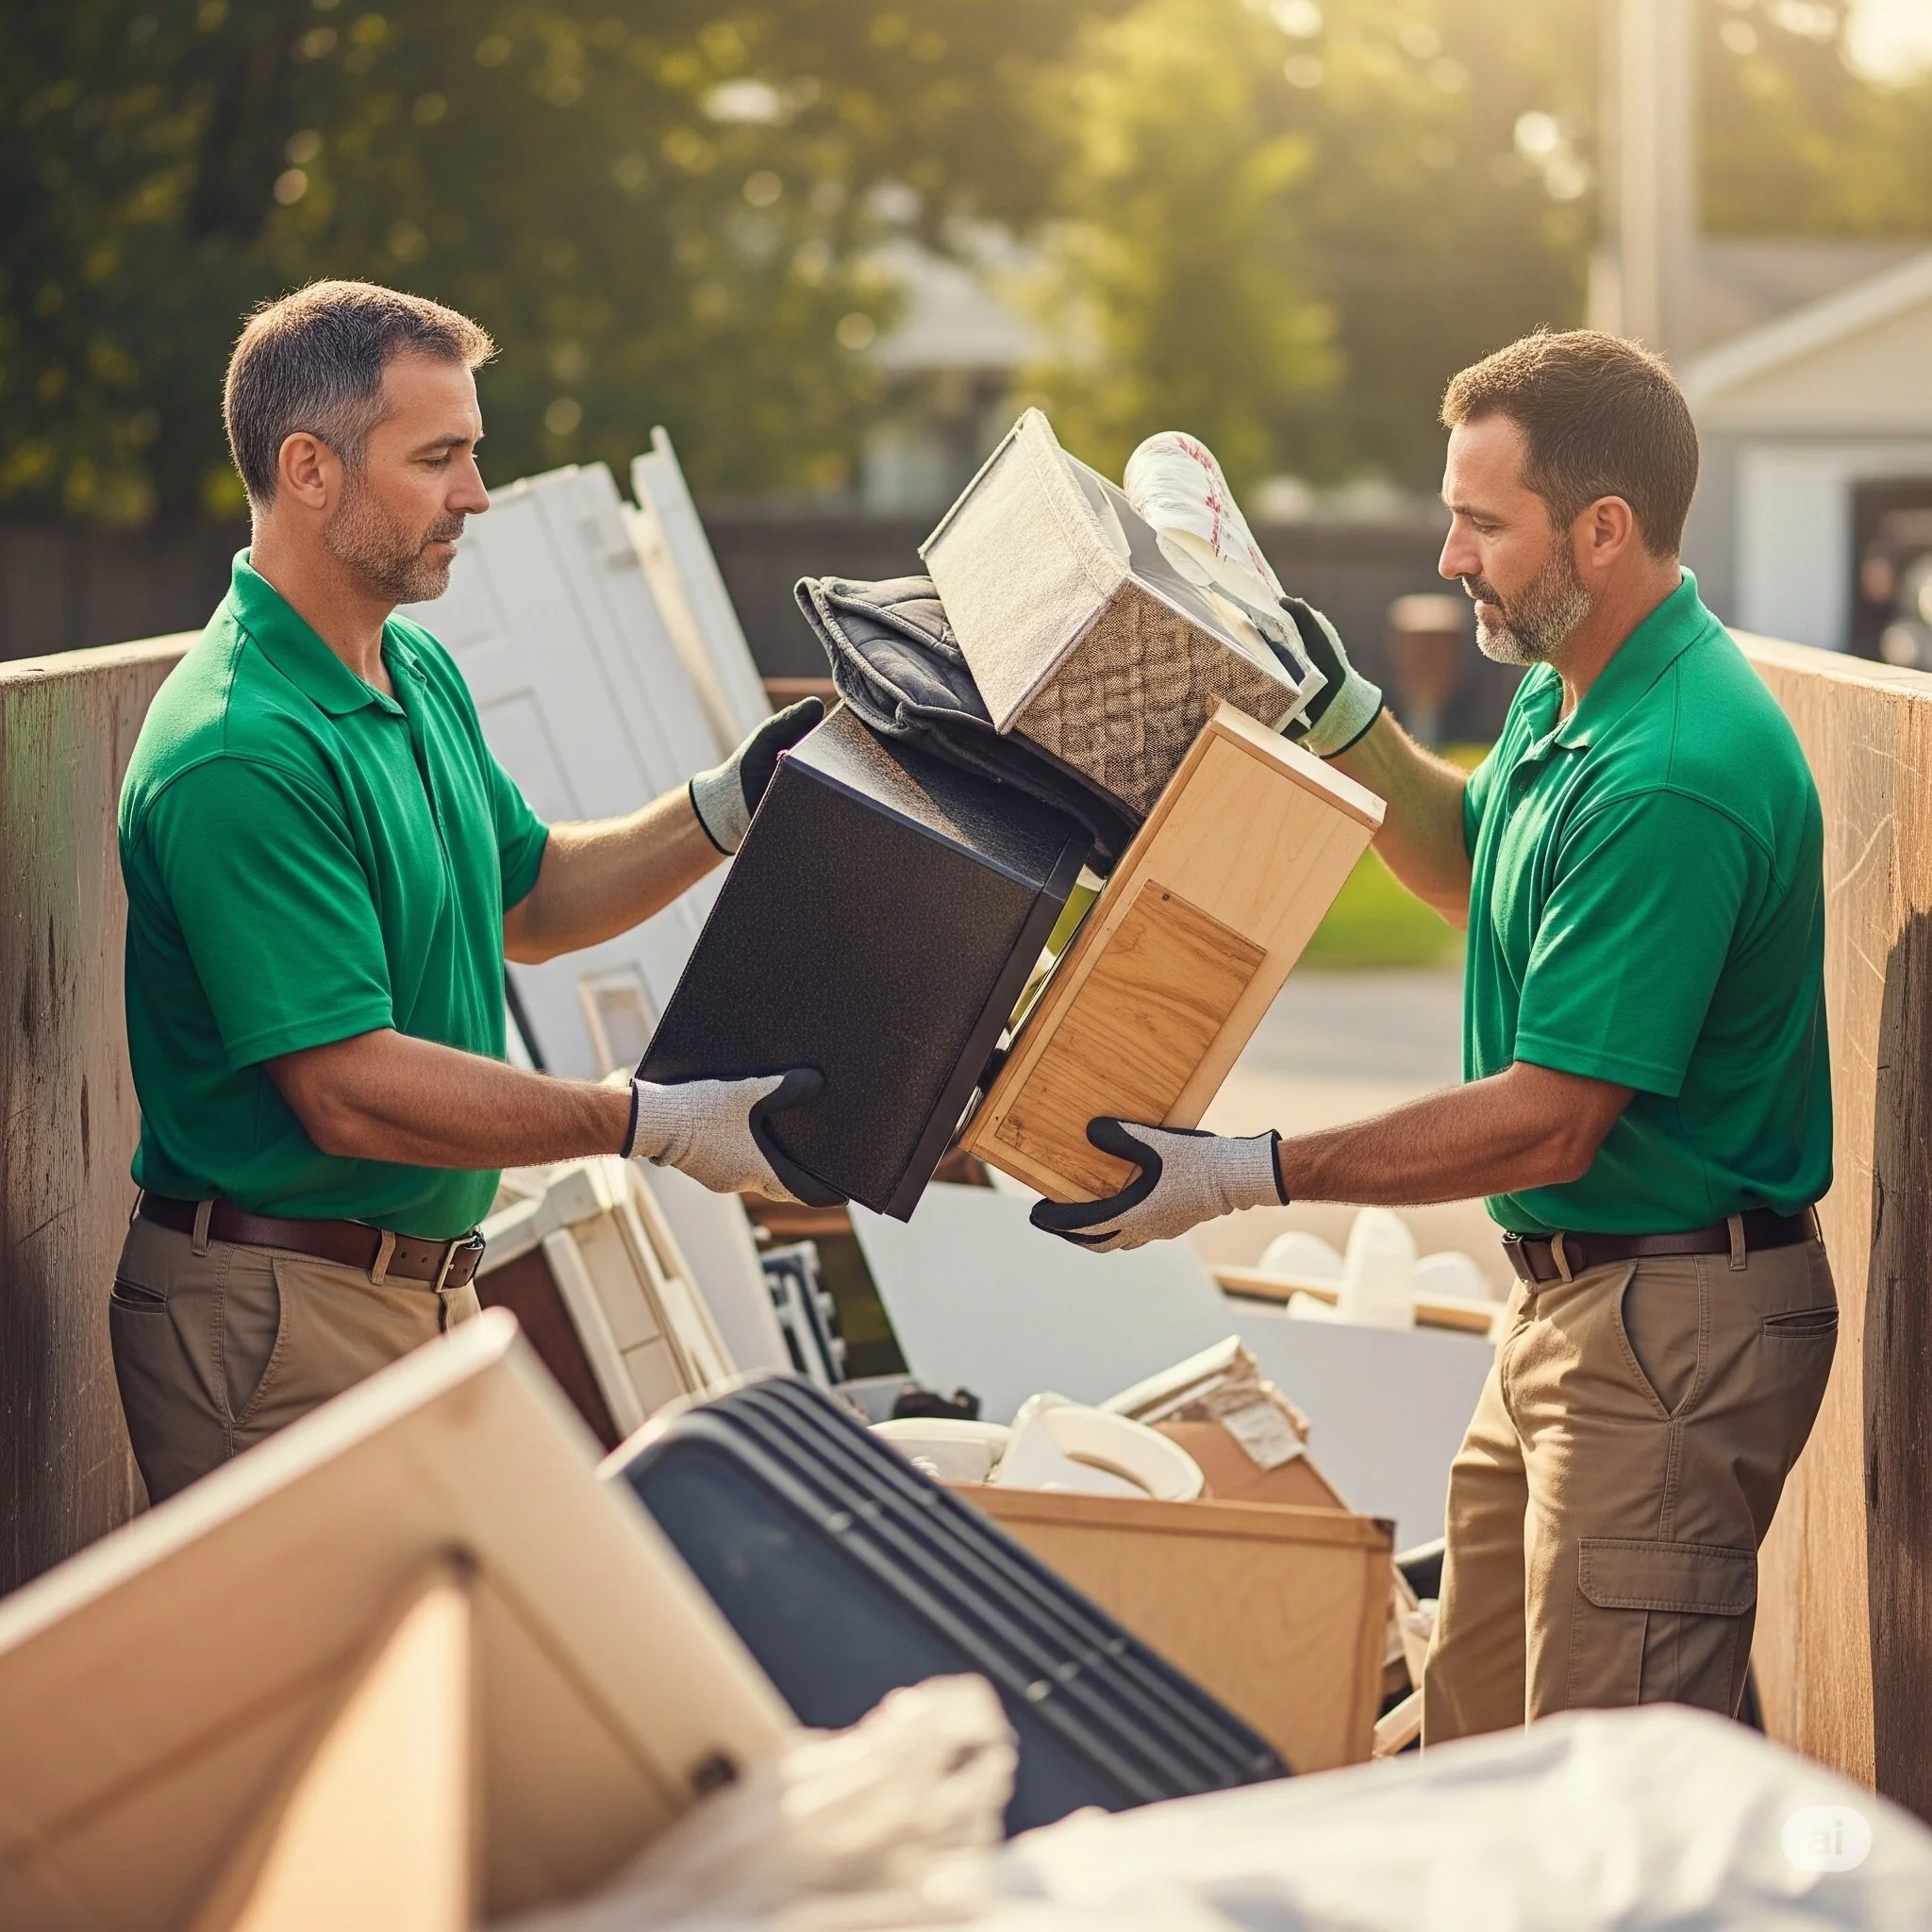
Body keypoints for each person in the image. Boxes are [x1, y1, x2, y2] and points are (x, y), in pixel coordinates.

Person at [1033, 330, 1836, 1740]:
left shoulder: (1674, 771)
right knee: (1475, 1738)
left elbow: (1550, 1115)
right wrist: (1329, 701)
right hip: (1571, 1307)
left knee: (1605, 1796)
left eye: (1482, 522)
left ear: (1603, 528)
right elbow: (1468, 861)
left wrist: (1241, 1175)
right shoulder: (1575, 676)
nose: (1451, 556)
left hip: (1668, 1329)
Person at [112, 279, 824, 1504]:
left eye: (473, 454)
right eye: (439, 458)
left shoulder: (408, 667)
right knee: (338, 1691)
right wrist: (643, 1122)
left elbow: (532, 897)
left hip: (408, 1291)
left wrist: (726, 810)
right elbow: (347, 1091)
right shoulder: (242, 750)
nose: (476, 496)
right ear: (311, 469)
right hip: (278, 1318)